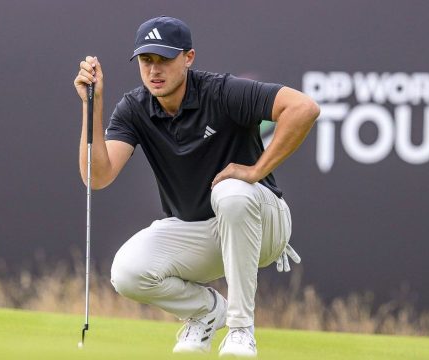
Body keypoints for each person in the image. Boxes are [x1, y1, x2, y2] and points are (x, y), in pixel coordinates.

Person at [74, 16, 319, 357]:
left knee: (231, 192)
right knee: (127, 271)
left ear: (188, 58)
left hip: (264, 225)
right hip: (204, 230)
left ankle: (240, 329)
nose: (154, 70)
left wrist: (256, 170)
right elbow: (97, 177)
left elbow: (303, 108)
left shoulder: (222, 92)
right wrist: (93, 105)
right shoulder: (134, 108)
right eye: (147, 60)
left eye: (164, 59)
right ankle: (205, 312)